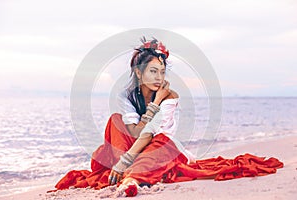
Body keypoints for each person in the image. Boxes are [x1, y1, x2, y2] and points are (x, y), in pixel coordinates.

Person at [54, 37, 283, 194]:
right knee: (115, 121)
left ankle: (132, 179)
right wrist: (152, 105)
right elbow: (133, 132)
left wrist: (156, 103)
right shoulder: (127, 96)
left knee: (161, 142)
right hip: (135, 146)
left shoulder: (169, 96)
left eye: (162, 72)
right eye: (153, 71)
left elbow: (150, 133)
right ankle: (129, 171)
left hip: (161, 149)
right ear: (138, 72)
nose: (158, 77)